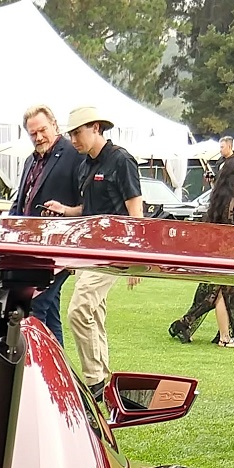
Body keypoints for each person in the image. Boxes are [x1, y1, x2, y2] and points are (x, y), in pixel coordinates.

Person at [54, 105, 144, 394]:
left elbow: (136, 214)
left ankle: (94, 381)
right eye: (71, 134)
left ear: (96, 128)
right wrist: (66, 211)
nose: (73, 139)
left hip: (114, 252)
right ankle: (102, 380)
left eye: (78, 132)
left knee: (79, 311)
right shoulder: (85, 165)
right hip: (88, 251)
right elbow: (88, 210)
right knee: (94, 313)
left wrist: (136, 258)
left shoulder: (121, 161)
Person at [12, 103, 86, 341]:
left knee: (36, 309)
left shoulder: (74, 155)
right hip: (31, 250)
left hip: (59, 250)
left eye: (42, 130)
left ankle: (35, 369)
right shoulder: (29, 162)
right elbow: (21, 203)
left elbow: (87, 202)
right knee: (50, 313)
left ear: (55, 125)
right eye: (33, 133)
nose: (39, 137)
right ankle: (59, 371)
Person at [168, 156, 234, 346]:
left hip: (228, 250)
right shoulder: (231, 199)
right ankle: (224, 337)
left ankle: (188, 323)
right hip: (226, 251)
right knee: (221, 291)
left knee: (216, 293)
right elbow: (229, 228)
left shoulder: (233, 193)